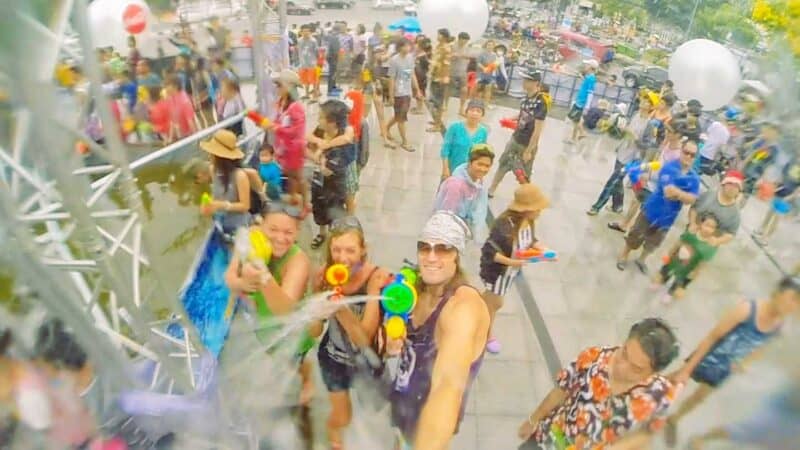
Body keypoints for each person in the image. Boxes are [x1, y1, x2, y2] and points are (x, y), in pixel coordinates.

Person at [380, 211, 490, 450]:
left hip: (430, 419)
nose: (431, 257)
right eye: (425, 247)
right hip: (403, 401)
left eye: (442, 248)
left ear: (456, 256)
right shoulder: (416, 288)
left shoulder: (462, 309)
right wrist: (390, 339)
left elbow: (447, 387)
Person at [664, 276, 800, 447]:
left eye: (798, 303)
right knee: (675, 379)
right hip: (707, 357)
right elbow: (712, 337)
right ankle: (647, 394)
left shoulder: (778, 326)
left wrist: (745, 362)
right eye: (792, 298)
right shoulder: (748, 309)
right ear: (778, 293)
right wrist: (687, 369)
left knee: (699, 398)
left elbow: (761, 347)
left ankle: (674, 419)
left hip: (724, 369)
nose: (793, 306)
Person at [517, 318, 680, 449]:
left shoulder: (660, 395)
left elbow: (649, 431)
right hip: (549, 439)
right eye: (624, 354)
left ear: (654, 372)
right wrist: (533, 420)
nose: (621, 368)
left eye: (636, 369)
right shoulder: (593, 358)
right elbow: (561, 390)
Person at [307, 216, 390, 450]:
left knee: (379, 414)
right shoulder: (322, 276)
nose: (343, 258)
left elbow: (364, 339)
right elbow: (314, 332)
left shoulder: (376, 279)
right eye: (337, 250)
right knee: (341, 417)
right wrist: (318, 311)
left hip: (367, 362)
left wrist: (341, 309)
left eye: (351, 250)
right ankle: (335, 441)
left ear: (363, 250)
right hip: (333, 359)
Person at [480, 183, 550, 354]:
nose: (540, 212)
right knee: (495, 303)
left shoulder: (528, 223)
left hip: (509, 274)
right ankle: (486, 334)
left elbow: (529, 240)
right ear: (527, 209)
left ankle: (476, 311)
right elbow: (490, 252)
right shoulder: (505, 226)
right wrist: (513, 262)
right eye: (537, 208)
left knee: (490, 301)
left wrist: (539, 248)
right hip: (497, 273)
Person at [617, 139, 700, 273]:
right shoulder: (669, 167)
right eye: (686, 152)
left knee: (653, 242)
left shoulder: (694, 177)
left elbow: (692, 200)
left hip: (668, 218)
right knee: (635, 235)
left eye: (693, 155)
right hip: (651, 210)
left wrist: (678, 193)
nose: (689, 157)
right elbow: (668, 192)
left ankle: (642, 259)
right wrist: (684, 194)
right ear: (681, 152)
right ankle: (624, 255)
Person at [587, 95, 653, 215]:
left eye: (647, 101)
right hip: (622, 151)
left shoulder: (649, 124)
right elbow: (627, 131)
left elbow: (647, 145)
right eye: (643, 99)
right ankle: (618, 205)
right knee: (617, 180)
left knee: (613, 180)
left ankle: (597, 206)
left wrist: (635, 137)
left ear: (651, 106)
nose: (643, 102)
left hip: (633, 157)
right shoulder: (635, 115)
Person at [488, 69, 549, 196]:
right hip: (515, 138)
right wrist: (510, 119)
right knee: (503, 164)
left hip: (526, 144)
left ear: (536, 83)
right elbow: (523, 114)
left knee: (524, 173)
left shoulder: (541, 102)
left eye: (527, 80)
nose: (524, 82)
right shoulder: (526, 98)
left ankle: (527, 197)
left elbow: (538, 130)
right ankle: (492, 189)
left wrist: (529, 150)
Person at [308, 99, 355, 249]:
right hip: (321, 177)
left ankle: (339, 233)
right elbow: (307, 139)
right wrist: (317, 153)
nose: (318, 119)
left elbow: (346, 139)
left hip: (339, 177)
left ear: (333, 121)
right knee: (319, 204)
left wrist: (323, 148)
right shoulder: (320, 130)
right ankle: (322, 233)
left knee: (337, 205)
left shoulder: (346, 133)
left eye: (321, 117)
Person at [261, 70, 307, 210]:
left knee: (297, 176)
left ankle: (306, 204)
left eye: (279, 85)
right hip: (283, 148)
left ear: (289, 86)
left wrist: (275, 128)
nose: (277, 88)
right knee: (290, 175)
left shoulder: (296, 107)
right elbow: (277, 121)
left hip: (294, 149)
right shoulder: (281, 102)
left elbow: (297, 131)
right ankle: (294, 200)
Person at [654, 212, 719, 302]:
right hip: (675, 260)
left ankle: (670, 293)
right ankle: (660, 282)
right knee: (666, 271)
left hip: (688, 267)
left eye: (712, 227)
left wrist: (695, 273)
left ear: (715, 230)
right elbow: (677, 244)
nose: (708, 229)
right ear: (701, 224)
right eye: (707, 225)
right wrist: (668, 255)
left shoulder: (710, 246)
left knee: (679, 281)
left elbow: (703, 263)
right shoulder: (690, 234)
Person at [434, 144, 495, 239]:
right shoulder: (456, 185)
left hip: (461, 231)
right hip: (448, 234)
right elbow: (447, 216)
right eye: (479, 164)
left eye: (487, 166)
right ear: (470, 162)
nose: (483, 169)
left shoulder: (478, 182)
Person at [199, 129, 251, 236]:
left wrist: (223, 205)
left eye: (211, 153)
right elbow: (216, 195)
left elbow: (245, 206)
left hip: (237, 224)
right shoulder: (212, 169)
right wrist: (208, 206)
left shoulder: (240, 175)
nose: (209, 156)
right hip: (220, 219)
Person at [386, 39, 422, 152]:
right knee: (401, 118)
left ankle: (385, 128)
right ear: (400, 47)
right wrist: (391, 96)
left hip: (407, 91)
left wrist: (417, 90)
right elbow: (391, 79)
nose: (408, 48)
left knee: (400, 115)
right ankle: (405, 142)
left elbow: (411, 74)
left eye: (409, 46)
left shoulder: (410, 58)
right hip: (398, 93)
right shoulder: (394, 60)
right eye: (405, 46)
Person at [440, 100, 489, 181]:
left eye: (478, 111)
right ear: (466, 112)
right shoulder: (455, 127)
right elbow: (445, 149)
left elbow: (482, 154)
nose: (474, 113)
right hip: (452, 169)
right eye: (472, 110)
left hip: (471, 172)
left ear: (482, 115)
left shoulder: (483, 131)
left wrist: (480, 174)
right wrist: (445, 168)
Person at [565, 59, 598, 144]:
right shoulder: (589, 77)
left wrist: (587, 106)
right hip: (580, 101)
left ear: (590, 67)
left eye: (587, 65)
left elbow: (590, 93)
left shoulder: (591, 78)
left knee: (574, 119)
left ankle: (581, 133)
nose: (585, 67)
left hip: (581, 102)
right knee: (576, 120)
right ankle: (574, 137)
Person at [427, 28, 453, 134]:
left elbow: (446, 65)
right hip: (434, 76)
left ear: (443, 36)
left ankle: (438, 125)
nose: (437, 36)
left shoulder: (446, 49)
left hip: (440, 79)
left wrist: (443, 77)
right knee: (434, 100)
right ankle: (436, 121)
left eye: (439, 35)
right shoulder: (438, 47)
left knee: (438, 102)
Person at [448, 32, 471, 117]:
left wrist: (464, 56)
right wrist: (452, 56)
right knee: (448, 89)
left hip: (462, 71)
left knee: (464, 90)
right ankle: (445, 105)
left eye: (466, 41)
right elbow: (446, 56)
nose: (464, 43)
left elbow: (470, 56)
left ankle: (461, 108)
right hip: (452, 70)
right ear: (459, 39)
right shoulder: (452, 45)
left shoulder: (468, 47)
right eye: (463, 41)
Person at [297, 24, 320, 100]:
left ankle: (315, 94)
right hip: (303, 64)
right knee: (305, 80)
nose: (306, 33)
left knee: (313, 80)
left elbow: (317, 52)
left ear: (310, 32)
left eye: (307, 31)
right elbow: (298, 51)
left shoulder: (313, 41)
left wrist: (316, 61)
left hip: (312, 64)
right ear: (301, 32)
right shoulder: (299, 40)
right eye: (304, 31)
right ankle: (306, 94)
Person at [476, 40, 498, 108]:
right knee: (480, 88)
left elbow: (494, 63)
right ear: (486, 45)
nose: (490, 46)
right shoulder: (481, 53)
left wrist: (493, 68)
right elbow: (478, 63)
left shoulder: (494, 55)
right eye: (488, 45)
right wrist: (483, 68)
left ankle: (486, 104)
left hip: (489, 74)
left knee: (488, 88)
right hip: (481, 73)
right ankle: (478, 103)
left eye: (491, 45)